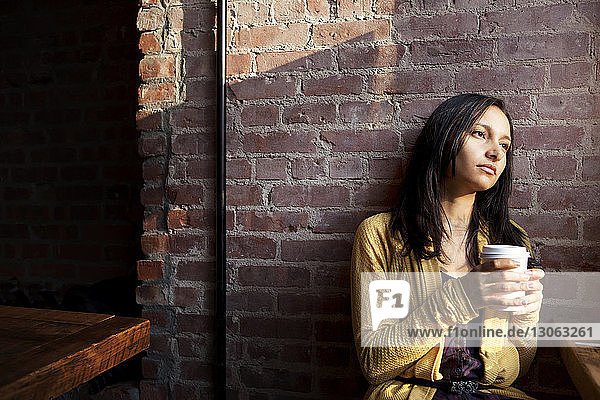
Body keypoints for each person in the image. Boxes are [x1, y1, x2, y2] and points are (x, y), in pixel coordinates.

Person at [350, 93, 544, 400]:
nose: (496, 152)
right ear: (444, 140)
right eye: (481, 134)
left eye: (505, 145)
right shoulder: (382, 236)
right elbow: (376, 363)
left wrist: (527, 318)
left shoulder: (511, 241)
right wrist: (465, 295)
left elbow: (518, 367)